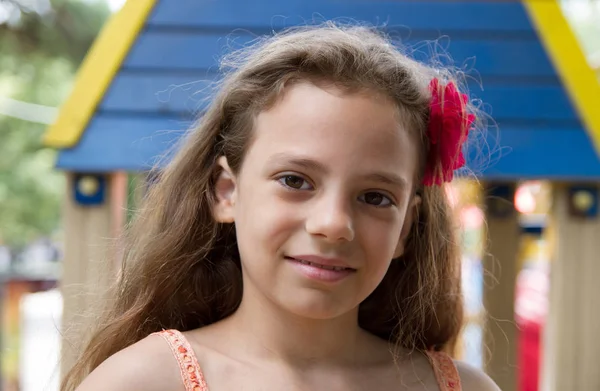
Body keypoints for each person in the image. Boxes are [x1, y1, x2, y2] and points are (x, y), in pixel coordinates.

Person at [65, 23, 499, 391]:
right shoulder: (140, 382)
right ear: (225, 192)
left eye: (375, 197)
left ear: (406, 227)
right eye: (295, 181)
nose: (333, 224)